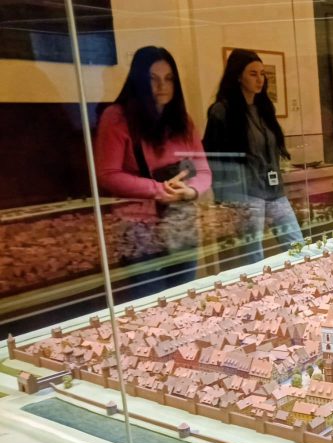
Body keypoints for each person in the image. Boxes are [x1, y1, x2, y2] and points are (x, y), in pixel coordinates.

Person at [94, 45, 210, 297]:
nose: (162, 86)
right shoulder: (117, 117)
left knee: (184, 296)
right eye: (153, 79)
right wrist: (158, 190)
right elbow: (107, 174)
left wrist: (190, 191)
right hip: (138, 225)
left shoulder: (182, 120)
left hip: (180, 219)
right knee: (151, 300)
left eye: (169, 79)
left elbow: (203, 170)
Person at [204, 48, 302, 266]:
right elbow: (215, 159)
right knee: (254, 259)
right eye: (253, 74)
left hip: (274, 191)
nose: (260, 79)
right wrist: (224, 201)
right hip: (245, 195)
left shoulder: (264, 108)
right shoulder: (222, 111)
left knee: (298, 247)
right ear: (238, 76)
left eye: (262, 74)